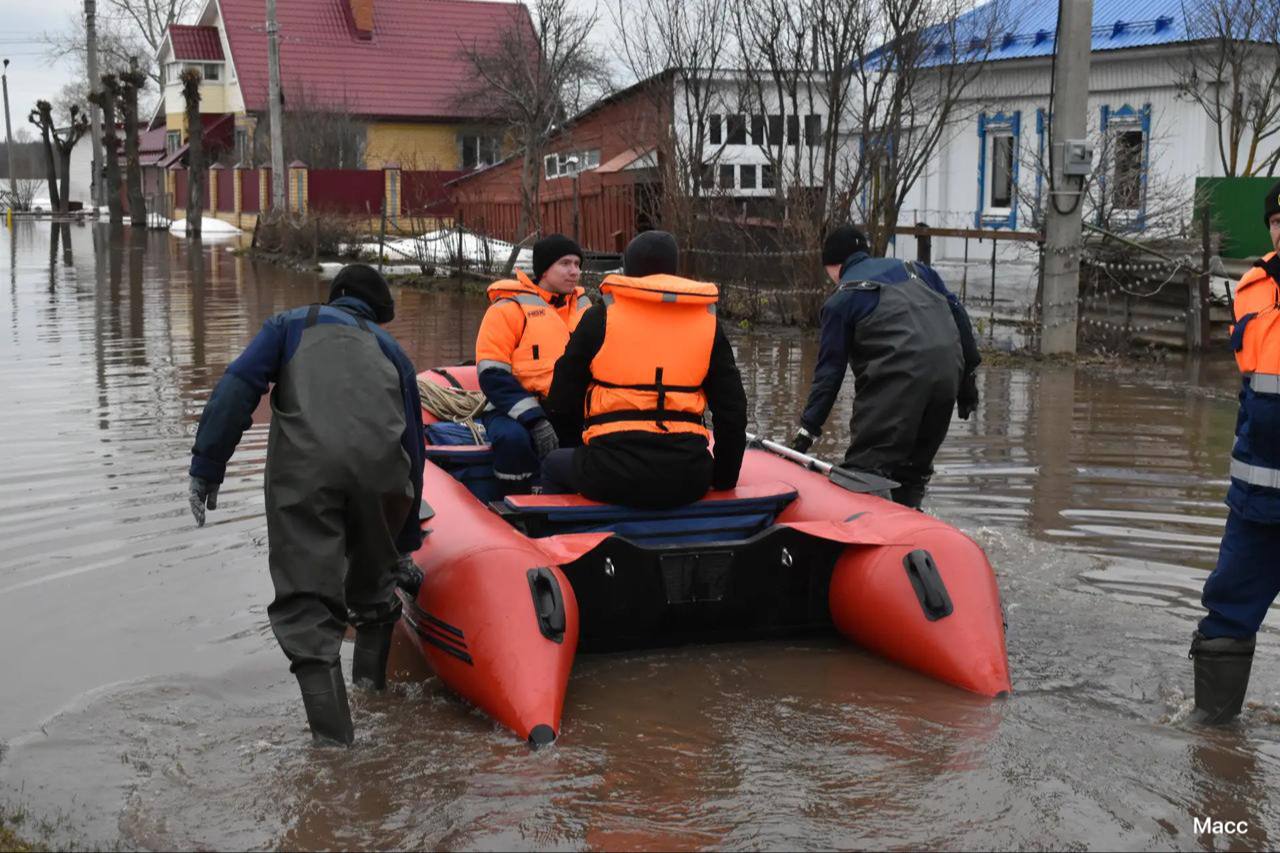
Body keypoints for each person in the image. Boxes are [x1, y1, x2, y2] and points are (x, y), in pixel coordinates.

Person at [186, 264, 425, 746]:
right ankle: (372, 700)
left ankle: (336, 752)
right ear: (376, 313)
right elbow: (414, 449)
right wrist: (403, 543)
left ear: (336, 296)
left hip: (306, 479)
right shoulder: (390, 350)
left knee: (308, 609)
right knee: (375, 593)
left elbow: (237, 386)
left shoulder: (289, 325)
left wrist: (207, 466)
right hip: (382, 478)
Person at [542, 230, 748, 507]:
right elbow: (732, 411)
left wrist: (581, 448)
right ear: (674, 271)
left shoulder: (599, 318)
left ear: (628, 270)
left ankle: (559, 531)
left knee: (553, 463)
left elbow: (561, 399)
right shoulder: (708, 324)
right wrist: (724, 479)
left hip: (610, 473)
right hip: (688, 476)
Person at [789, 225, 980, 509]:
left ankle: (866, 529)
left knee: (864, 472)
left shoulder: (842, 299)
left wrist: (806, 432)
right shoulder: (919, 271)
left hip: (899, 380)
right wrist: (967, 384)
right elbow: (959, 317)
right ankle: (912, 524)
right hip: (947, 378)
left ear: (833, 266)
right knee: (912, 473)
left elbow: (829, 374)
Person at [1189, 182, 1280, 725]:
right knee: (1227, 608)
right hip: (1258, 497)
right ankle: (1214, 736)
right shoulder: (1253, 287)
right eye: (1278, 221)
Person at [475, 234, 591, 493]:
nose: (574, 271)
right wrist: (535, 420)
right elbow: (492, 375)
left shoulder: (586, 310)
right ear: (544, 270)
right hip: (513, 409)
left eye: (577, 264)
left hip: (568, 409)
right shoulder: (508, 309)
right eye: (565, 263)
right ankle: (517, 501)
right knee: (513, 440)